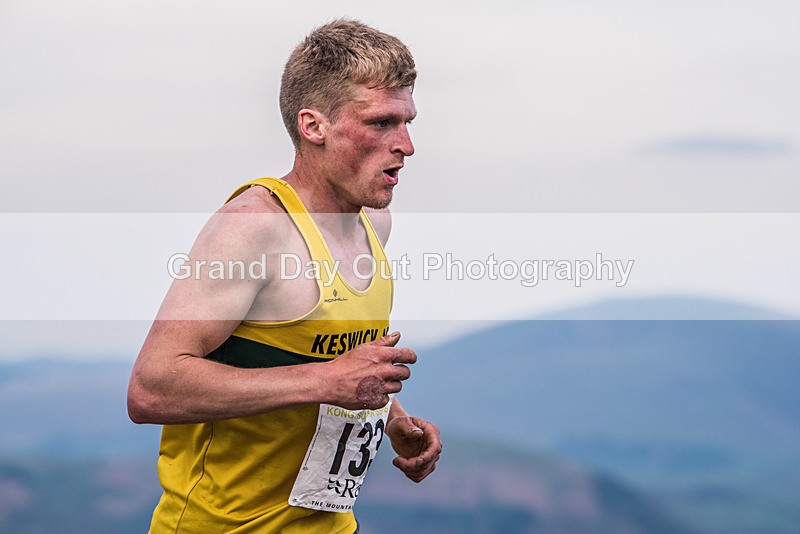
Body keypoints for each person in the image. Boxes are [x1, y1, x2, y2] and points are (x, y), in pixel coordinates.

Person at [127, 19, 442, 534]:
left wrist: (392, 418)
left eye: (407, 121)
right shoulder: (254, 227)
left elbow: (327, 358)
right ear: (313, 126)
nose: (406, 145)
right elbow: (151, 389)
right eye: (382, 123)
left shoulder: (374, 223)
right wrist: (327, 381)